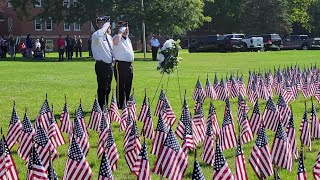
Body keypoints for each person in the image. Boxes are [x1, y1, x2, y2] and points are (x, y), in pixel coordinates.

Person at [92, 16, 114, 109]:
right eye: (100, 23)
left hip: (110, 65)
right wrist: (105, 26)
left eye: (103, 23)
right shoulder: (96, 35)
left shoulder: (108, 37)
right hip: (101, 65)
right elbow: (99, 35)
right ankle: (101, 106)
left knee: (108, 87)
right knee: (102, 87)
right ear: (97, 24)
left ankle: (105, 104)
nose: (102, 25)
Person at [113, 22, 134, 109]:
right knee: (121, 84)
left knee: (128, 84)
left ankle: (126, 102)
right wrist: (120, 32)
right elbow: (114, 42)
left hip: (129, 64)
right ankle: (120, 103)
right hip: (120, 64)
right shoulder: (117, 37)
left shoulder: (128, 40)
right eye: (125, 28)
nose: (127, 30)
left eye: (127, 28)